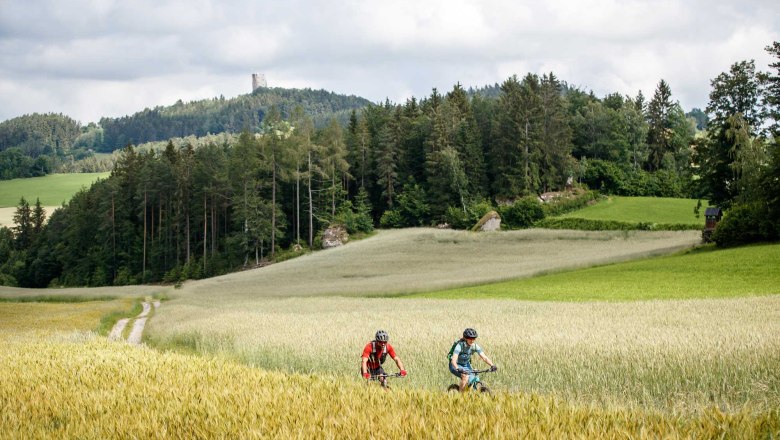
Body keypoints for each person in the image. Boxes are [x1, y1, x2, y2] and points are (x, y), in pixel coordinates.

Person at [448, 327, 497, 392]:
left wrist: (492, 365)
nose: (472, 340)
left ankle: (471, 392)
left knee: (474, 376)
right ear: (465, 338)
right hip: (454, 365)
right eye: (470, 338)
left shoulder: (474, 346)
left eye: (474, 338)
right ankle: (460, 397)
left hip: (466, 365)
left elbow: (484, 357)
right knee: (465, 376)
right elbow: (453, 360)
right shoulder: (459, 346)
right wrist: (457, 368)